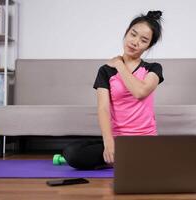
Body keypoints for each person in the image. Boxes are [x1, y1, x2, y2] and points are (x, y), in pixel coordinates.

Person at [63, 10, 164, 170]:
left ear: (148, 46)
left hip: (145, 141)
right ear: (126, 33)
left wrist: (119, 64)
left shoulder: (153, 68)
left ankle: (127, 159)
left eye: (143, 40)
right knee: (72, 152)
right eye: (133, 34)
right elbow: (103, 108)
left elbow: (140, 92)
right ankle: (127, 158)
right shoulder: (105, 71)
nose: (135, 42)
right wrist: (108, 142)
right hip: (118, 140)